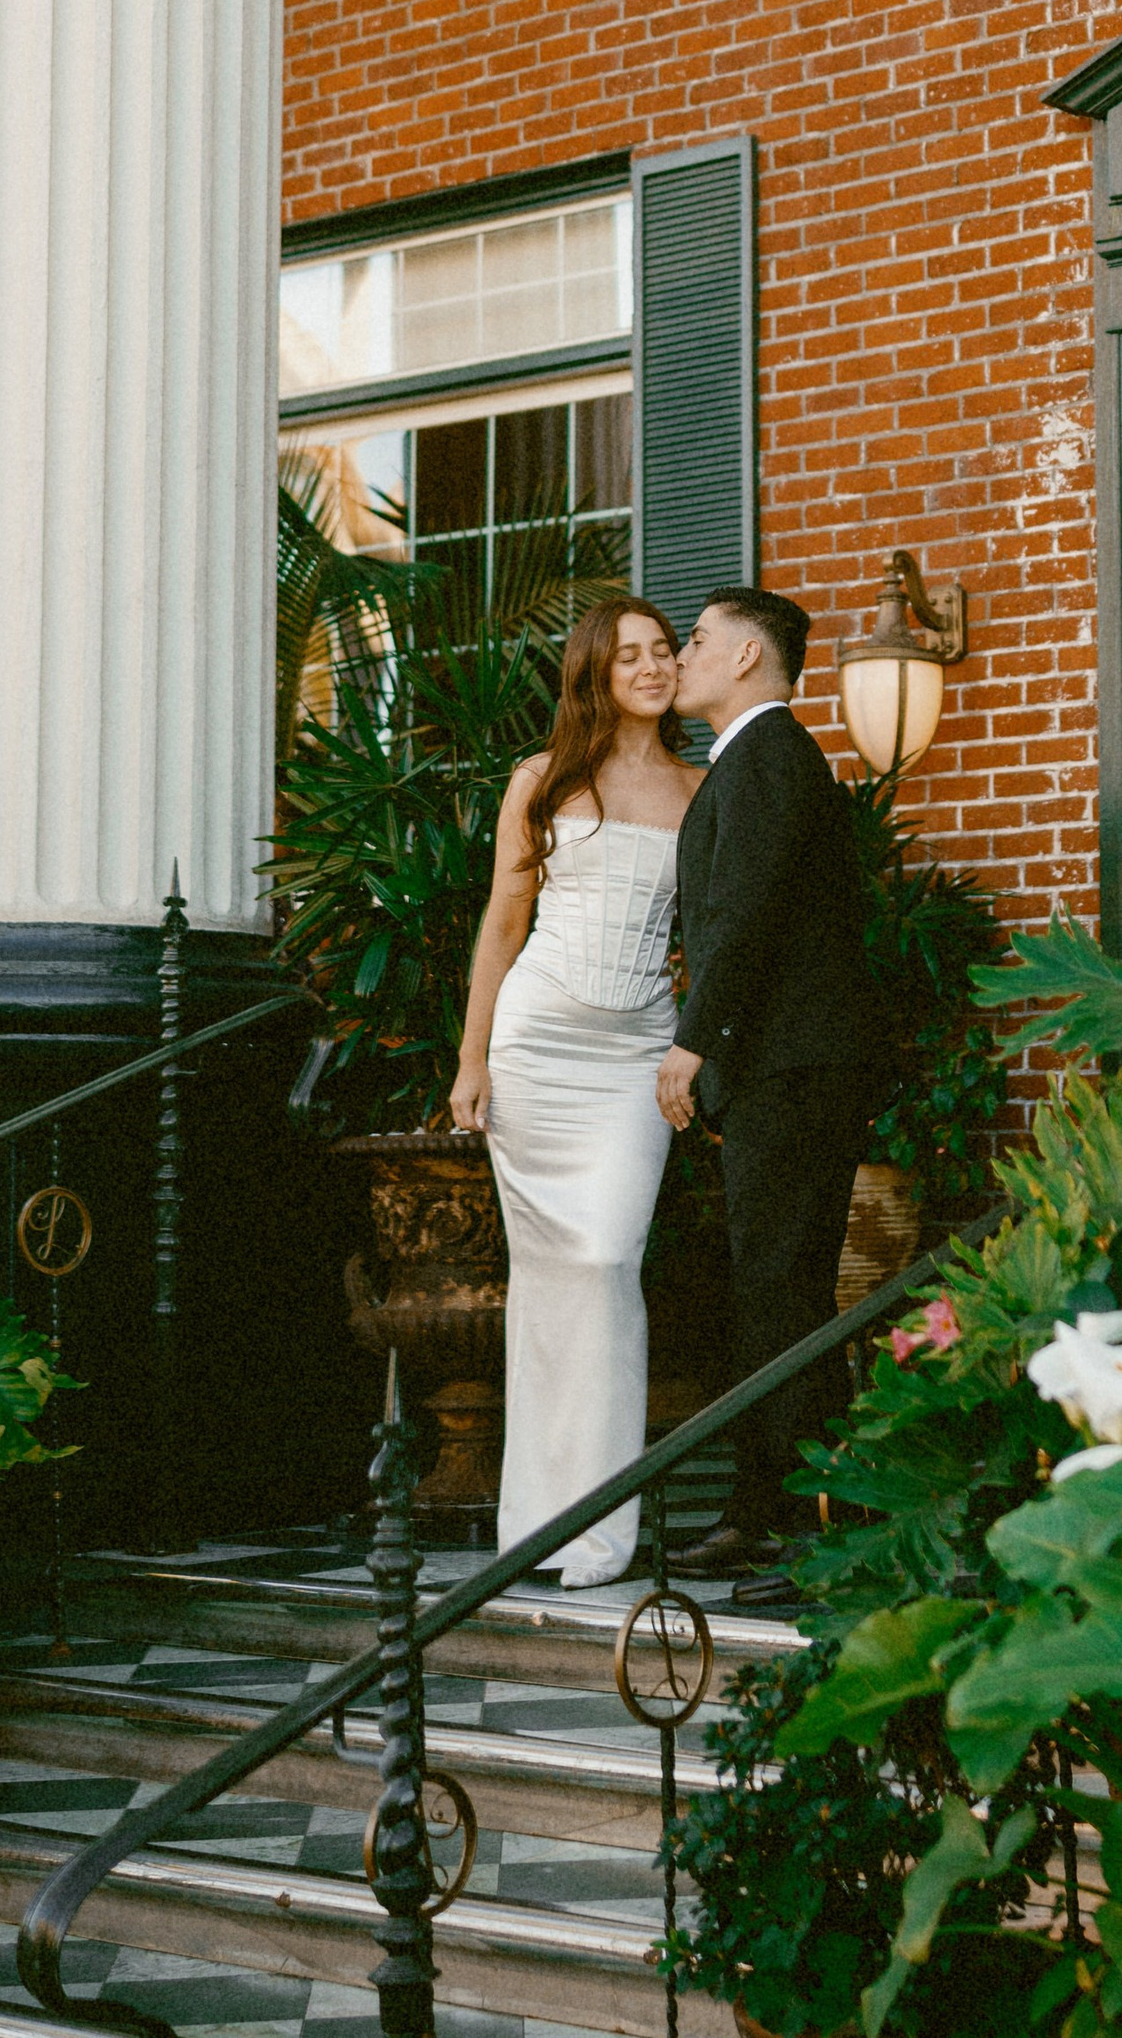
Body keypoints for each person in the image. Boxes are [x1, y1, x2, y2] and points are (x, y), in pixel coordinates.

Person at [450, 597, 697, 1590]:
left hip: (635, 1051)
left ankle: (599, 1526)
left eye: (661, 649)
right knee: (549, 1280)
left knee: (606, 1261)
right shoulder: (541, 782)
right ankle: (535, 1521)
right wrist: (472, 1060)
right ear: (594, 672)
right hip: (539, 1045)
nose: (649, 665)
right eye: (627, 653)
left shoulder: (701, 787)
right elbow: (502, 925)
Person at [659, 585, 881, 1581]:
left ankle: (788, 1517)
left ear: (749, 655)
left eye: (699, 639)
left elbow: (743, 915)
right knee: (776, 1285)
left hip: (792, 1063)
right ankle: (782, 1507)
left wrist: (694, 1041)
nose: (685, 655)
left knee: (779, 1286)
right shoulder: (758, 759)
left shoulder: (768, 754)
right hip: (789, 1063)